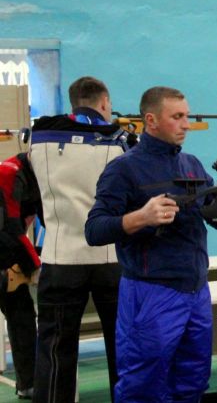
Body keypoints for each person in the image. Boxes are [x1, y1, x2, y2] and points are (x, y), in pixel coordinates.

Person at [84, 86, 217, 401]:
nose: (186, 124)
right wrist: (142, 216)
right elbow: (94, 230)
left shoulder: (191, 165)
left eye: (186, 116)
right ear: (151, 120)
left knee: (193, 381)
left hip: (196, 290)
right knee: (142, 384)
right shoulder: (124, 169)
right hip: (151, 291)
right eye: (177, 117)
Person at [29, 76, 130, 402]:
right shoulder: (119, 142)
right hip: (110, 258)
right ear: (104, 102)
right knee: (122, 348)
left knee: (54, 349)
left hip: (61, 256)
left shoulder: (40, 137)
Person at [0, 152, 42, 399]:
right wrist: (35, 265)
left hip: (8, 249)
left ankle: (28, 383)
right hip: (5, 248)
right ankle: (28, 383)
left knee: (22, 317)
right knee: (21, 317)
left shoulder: (37, 172)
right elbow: (11, 227)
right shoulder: (9, 173)